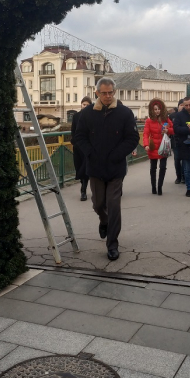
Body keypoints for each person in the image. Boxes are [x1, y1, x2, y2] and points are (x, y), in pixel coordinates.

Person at [72, 77, 139, 261]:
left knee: (114, 205)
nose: (108, 96)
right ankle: (104, 220)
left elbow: (133, 138)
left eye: (110, 93)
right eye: (104, 93)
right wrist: (90, 153)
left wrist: (118, 154)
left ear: (114, 92)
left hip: (116, 168)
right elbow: (80, 137)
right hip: (95, 167)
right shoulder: (87, 114)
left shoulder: (124, 113)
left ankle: (112, 243)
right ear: (97, 93)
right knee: (98, 204)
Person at [142, 98, 174, 195]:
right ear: (152, 110)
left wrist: (168, 131)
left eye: (158, 109)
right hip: (153, 146)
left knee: (163, 167)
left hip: (163, 146)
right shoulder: (149, 121)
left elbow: (173, 129)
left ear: (161, 109)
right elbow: (145, 134)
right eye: (155, 109)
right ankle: (153, 187)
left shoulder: (166, 119)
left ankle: (160, 186)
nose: (157, 111)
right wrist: (146, 144)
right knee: (153, 168)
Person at [70, 96, 92, 201]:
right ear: (81, 105)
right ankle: (83, 185)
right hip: (77, 147)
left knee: (85, 168)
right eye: (84, 104)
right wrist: (74, 142)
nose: (85, 106)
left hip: (87, 147)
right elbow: (73, 130)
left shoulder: (92, 116)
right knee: (79, 167)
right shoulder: (76, 116)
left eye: (87, 105)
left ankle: (83, 190)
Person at [169, 100, 186, 184]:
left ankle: (184, 176)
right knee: (177, 159)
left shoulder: (187, 115)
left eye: (184, 105)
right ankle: (178, 176)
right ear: (178, 106)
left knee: (184, 159)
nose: (182, 107)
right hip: (175, 140)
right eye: (181, 105)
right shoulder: (172, 116)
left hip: (185, 140)